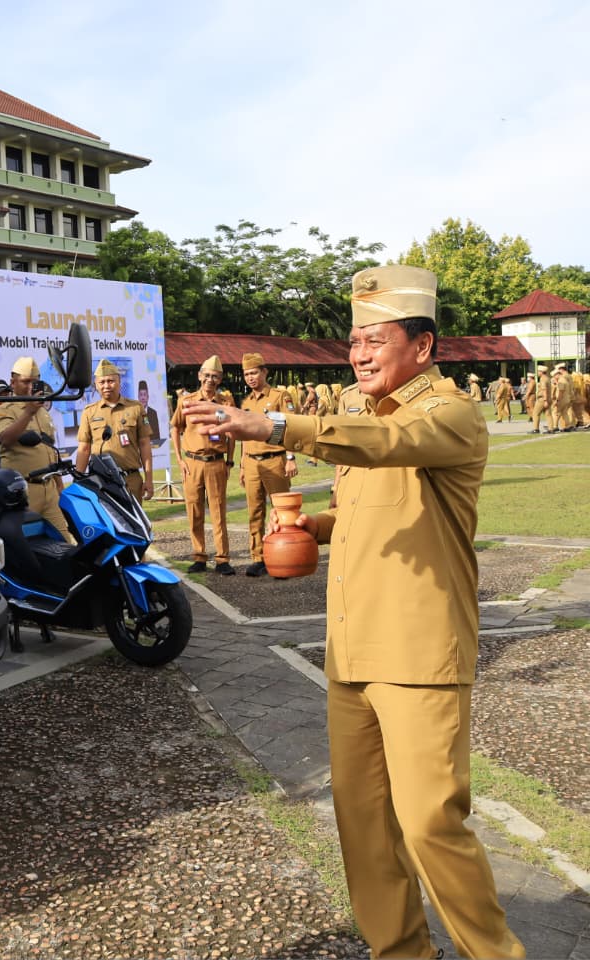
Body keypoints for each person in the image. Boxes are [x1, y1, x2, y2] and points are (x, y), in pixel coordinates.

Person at [182, 265, 523, 960]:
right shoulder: (363, 412)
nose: (358, 353)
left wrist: (274, 423)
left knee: (430, 822)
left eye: (374, 339)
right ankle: (399, 951)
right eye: (353, 341)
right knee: (363, 823)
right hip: (352, 647)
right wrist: (321, 526)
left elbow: (394, 448)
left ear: (422, 347)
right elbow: (375, 496)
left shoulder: (449, 413)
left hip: (420, 652)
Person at [0, 356, 75, 544]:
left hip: (49, 490)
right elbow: (5, 439)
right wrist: (28, 412)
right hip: (23, 493)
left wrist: (59, 485)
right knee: (28, 547)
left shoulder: (43, 412)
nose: (31, 387)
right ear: (13, 382)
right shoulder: (6, 410)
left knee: (64, 543)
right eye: (26, 382)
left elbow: (50, 450)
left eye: (35, 382)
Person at [169, 354, 236, 574]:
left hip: (216, 462)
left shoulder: (226, 403)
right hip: (193, 463)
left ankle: (222, 558)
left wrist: (230, 461)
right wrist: (179, 459)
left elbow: (232, 433)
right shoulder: (186, 402)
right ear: (199, 376)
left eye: (215, 376)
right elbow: (175, 428)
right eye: (206, 375)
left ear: (220, 379)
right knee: (194, 510)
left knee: (218, 510)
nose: (210, 380)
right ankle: (199, 556)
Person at [237, 352, 297, 577]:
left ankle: (284, 556)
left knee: (281, 512)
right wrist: (243, 466)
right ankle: (258, 557)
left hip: (275, 461)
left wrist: (290, 457)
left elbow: (290, 427)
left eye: (254, 372)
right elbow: (243, 436)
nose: (250, 378)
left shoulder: (280, 397)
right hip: (252, 463)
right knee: (255, 512)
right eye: (246, 374)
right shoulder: (246, 402)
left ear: (264, 372)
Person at [75, 359, 153, 502]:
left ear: (119, 381)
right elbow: (84, 448)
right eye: (102, 382)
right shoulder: (89, 412)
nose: (106, 386)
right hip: (101, 481)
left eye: (111, 381)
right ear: (96, 385)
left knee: (134, 523)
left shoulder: (135, 408)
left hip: (130, 480)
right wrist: (78, 482)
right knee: (106, 523)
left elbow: (144, 444)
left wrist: (149, 479)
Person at [137, 379, 162, 444]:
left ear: (148, 397)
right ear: (138, 397)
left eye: (144, 395)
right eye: (141, 395)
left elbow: (157, 434)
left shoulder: (153, 413)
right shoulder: (135, 413)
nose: (143, 398)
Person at [552, 363, 573, 431]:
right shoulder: (564, 380)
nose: (554, 378)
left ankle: (555, 426)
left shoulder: (561, 381)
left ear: (557, 374)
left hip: (562, 399)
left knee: (555, 412)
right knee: (564, 413)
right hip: (566, 399)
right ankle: (568, 426)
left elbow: (561, 392)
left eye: (554, 376)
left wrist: (557, 401)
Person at [532, 364, 552, 433]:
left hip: (542, 399)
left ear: (541, 372)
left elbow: (544, 390)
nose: (537, 373)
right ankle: (550, 429)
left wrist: (545, 400)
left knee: (535, 413)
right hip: (548, 398)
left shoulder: (543, 379)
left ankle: (536, 429)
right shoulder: (547, 378)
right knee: (548, 414)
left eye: (538, 371)